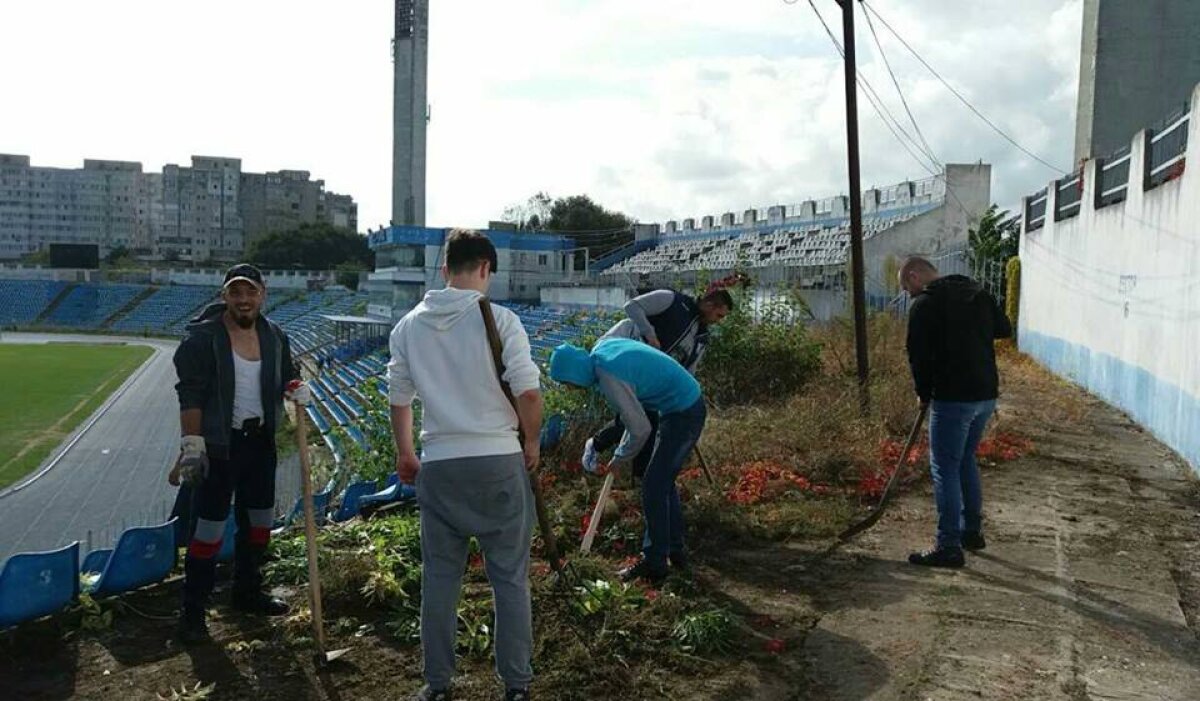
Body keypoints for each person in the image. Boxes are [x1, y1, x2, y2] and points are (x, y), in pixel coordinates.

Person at [388, 229, 543, 701]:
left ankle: (437, 683)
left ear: (445, 269)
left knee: (439, 579)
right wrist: (532, 441)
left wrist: (406, 453)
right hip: (497, 460)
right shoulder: (501, 320)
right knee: (509, 578)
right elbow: (528, 392)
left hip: (440, 465)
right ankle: (515, 684)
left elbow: (399, 398)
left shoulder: (408, 327)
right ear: (486, 268)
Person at [171, 263, 310, 643]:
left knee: (260, 525)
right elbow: (190, 394)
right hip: (219, 447)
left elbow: (287, 373)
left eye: (250, 291)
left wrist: (295, 387)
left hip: (260, 444)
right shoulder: (203, 339)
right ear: (224, 296)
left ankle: (247, 592)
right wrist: (192, 444)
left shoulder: (274, 336)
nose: (243, 299)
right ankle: (193, 612)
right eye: (236, 292)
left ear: (263, 294)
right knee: (208, 531)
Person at [549, 337, 706, 583]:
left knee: (654, 485)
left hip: (683, 412)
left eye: (567, 383)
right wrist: (617, 451)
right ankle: (674, 552)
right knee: (662, 483)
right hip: (677, 406)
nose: (570, 388)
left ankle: (655, 562)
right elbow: (631, 416)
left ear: (574, 372)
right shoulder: (601, 352)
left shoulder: (608, 377)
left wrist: (620, 457)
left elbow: (640, 428)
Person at [899, 256, 1012, 568]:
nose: (908, 293)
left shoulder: (925, 305)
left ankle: (948, 545)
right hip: (985, 395)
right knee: (964, 459)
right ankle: (971, 532)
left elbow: (917, 356)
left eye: (906, 286)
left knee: (945, 467)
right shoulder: (978, 294)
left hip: (953, 398)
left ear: (914, 275)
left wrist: (923, 393)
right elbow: (1004, 328)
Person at [581, 288, 732, 475]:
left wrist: (681, 390)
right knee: (638, 423)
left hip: (656, 383)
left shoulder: (702, 337)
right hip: (629, 366)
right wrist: (649, 333)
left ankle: (640, 477)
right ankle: (597, 446)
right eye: (719, 315)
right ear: (709, 304)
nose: (718, 321)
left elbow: (689, 368)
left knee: (646, 425)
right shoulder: (672, 300)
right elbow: (632, 306)